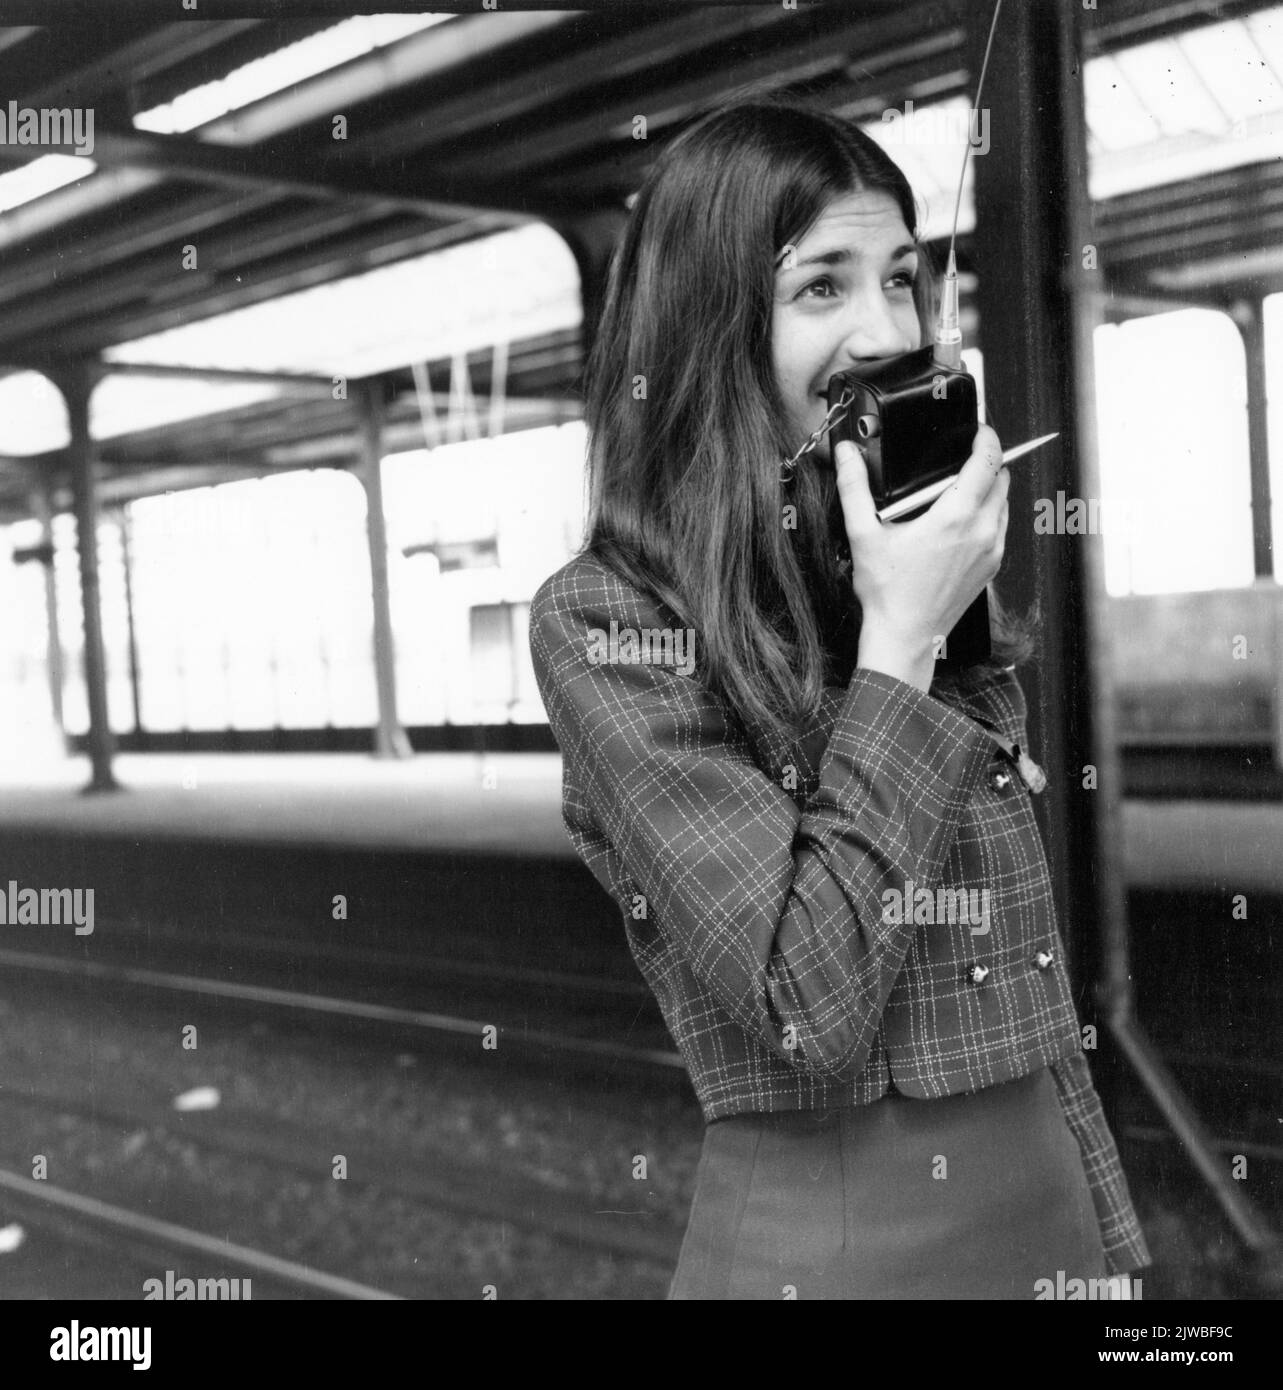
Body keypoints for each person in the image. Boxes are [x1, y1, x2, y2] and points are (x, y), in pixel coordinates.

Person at [529, 99, 1149, 1300]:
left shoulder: (894, 570)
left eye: (903, 281)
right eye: (822, 287)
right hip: (833, 1257)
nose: (884, 330)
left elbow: (1027, 989)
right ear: (710, 330)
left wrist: (1112, 1252)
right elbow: (806, 1001)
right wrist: (903, 640)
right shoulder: (611, 621)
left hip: (1049, 1239)